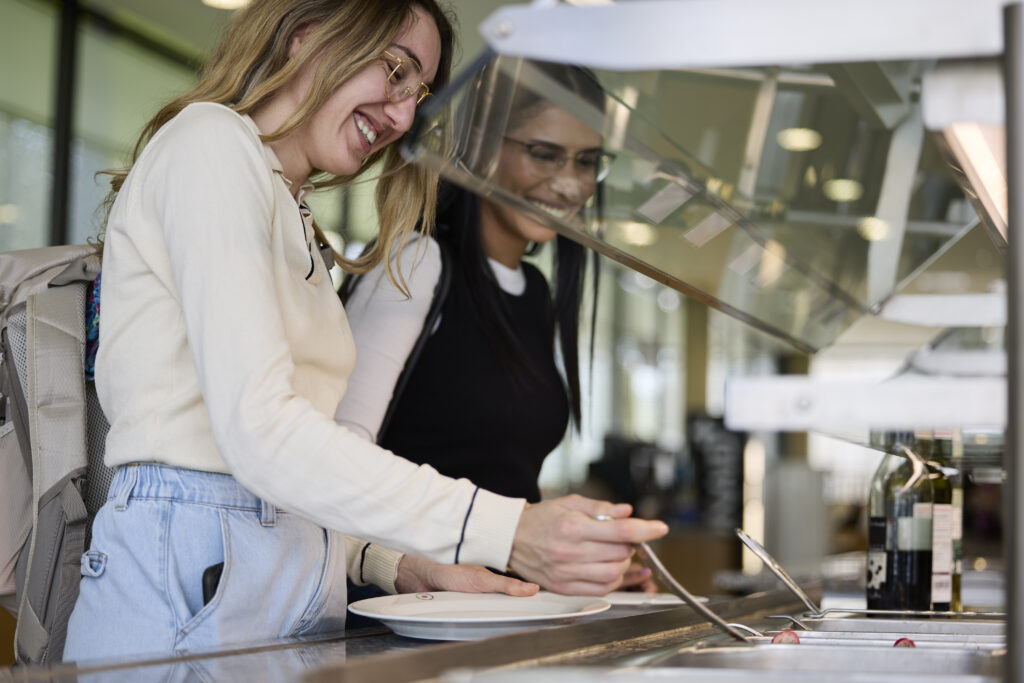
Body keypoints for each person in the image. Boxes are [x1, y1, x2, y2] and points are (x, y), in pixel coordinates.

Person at [62, 0, 667, 662]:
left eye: (421, 93)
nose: (405, 115)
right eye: (396, 70)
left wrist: (400, 566)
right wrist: (508, 529)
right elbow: (261, 435)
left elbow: (296, 473)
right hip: (189, 587)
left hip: (287, 583)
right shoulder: (209, 141)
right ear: (304, 35)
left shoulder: (292, 212)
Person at [336, 60, 654, 592]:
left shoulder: (536, 292)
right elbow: (336, 459)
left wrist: (568, 564)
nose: (569, 184)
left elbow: (501, 484)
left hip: (494, 609)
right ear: (481, 145)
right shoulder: (417, 262)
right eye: (545, 154)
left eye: (587, 162)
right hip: (401, 609)